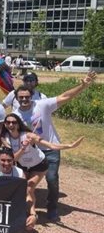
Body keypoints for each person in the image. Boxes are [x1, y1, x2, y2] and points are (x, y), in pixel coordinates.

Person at [12, 71, 97, 221]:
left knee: (51, 178)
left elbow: (65, 96)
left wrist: (83, 86)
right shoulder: (15, 115)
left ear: (31, 96)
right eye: (21, 97)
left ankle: (52, 207)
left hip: (50, 149)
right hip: (31, 152)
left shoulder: (43, 105)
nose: (24, 99)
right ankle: (24, 207)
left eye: (27, 97)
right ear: (17, 99)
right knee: (24, 181)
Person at [0, 113, 84, 229]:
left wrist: (69, 146)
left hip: (39, 165)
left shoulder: (29, 135)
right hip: (23, 166)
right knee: (22, 188)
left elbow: (50, 145)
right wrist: (23, 148)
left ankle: (32, 215)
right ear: (4, 124)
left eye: (14, 122)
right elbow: (13, 159)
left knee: (29, 187)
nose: (10, 124)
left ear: (18, 124)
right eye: (8, 122)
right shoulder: (5, 138)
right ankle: (20, 211)